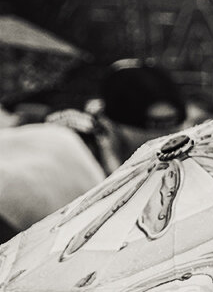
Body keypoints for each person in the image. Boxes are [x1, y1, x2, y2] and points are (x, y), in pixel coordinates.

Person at [0, 60, 185, 241]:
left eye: (172, 132)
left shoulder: (91, 147)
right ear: (111, 123)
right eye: (151, 132)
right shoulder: (71, 156)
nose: (165, 147)